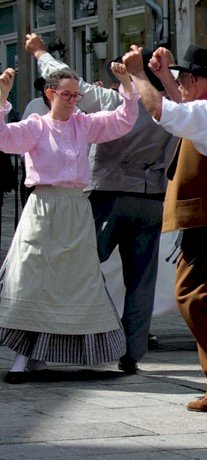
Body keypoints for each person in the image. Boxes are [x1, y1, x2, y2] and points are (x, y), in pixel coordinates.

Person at [26, 33, 177, 374]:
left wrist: (40, 52)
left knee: (78, 267)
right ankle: (132, 352)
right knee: (141, 280)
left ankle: (59, 341)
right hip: (152, 197)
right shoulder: (172, 107)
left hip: (109, 194)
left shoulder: (114, 100)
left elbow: (66, 77)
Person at [122, 44, 207, 415]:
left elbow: (165, 111)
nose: (179, 84)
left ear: (194, 79)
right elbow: (182, 107)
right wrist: (163, 76)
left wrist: (137, 75)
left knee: (192, 299)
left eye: (182, 79)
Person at [0, 60, 139, 384]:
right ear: (50, 94)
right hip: (44, 208)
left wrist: (127, 87)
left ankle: (41, 356)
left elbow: (122, 121)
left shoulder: (83, 124)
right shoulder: (36, 125)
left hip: (75, 209)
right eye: (67, 95)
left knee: (73, 283)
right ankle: (24, 356)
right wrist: (3, 97)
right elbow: (4, 139)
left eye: (77, 95)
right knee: (33, 278)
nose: (74, 101)